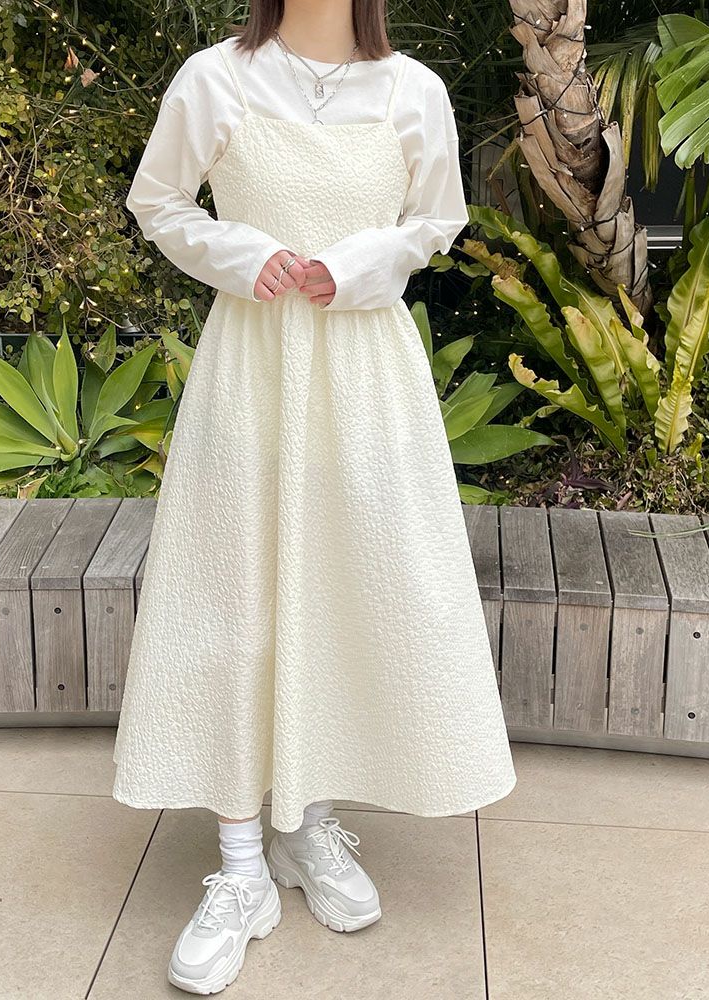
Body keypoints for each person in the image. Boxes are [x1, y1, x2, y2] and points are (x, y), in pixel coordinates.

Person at [113, 1, 517, 993]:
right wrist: (244, 257)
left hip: (366, 370)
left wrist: (364, 264)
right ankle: (241, 866)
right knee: (234, 597)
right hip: (251, 365)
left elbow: (437, 219)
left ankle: (306, 822)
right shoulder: (215, 77)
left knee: (347, 585)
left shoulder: (413, 89)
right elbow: (159, 200)